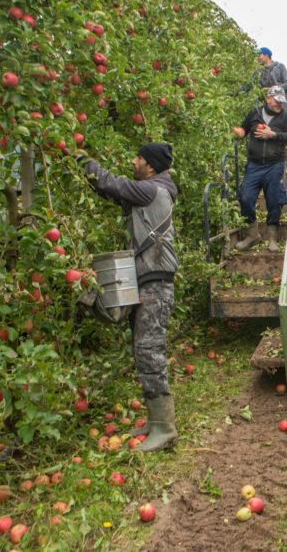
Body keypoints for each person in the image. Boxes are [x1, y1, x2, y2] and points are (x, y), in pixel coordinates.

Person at [77, 142, 179, 453]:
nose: (133, 161)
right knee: (142, 349)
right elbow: (111, 191)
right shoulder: (152, 189)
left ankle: (165, 427)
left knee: (149, 350)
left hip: (155, 282)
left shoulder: (151, 189)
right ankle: (155, 420)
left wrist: (82, 159)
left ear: (149, 165)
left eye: (138, 157)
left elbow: (113, 183)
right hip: (147, 279)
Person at [232, 86, 287, 251]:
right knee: (246, 197)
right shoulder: (254, 113)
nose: (279, 105)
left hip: (274, 164)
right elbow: (244, 129)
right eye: (277, 101)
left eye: (281, 102)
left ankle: (273, 238)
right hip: (254, 164)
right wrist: (238, 132)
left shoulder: (286, 117)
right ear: (268, 98)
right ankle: (252, 234)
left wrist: (274, 135)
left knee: (274, 200)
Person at [255, 47, 287, 113]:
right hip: (269, 108)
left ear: (266, 55)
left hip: (284, 106)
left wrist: (270, 89)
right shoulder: (258, 71)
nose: (257, 58)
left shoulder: (280, 67)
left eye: (259, 55)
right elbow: (248, 84)